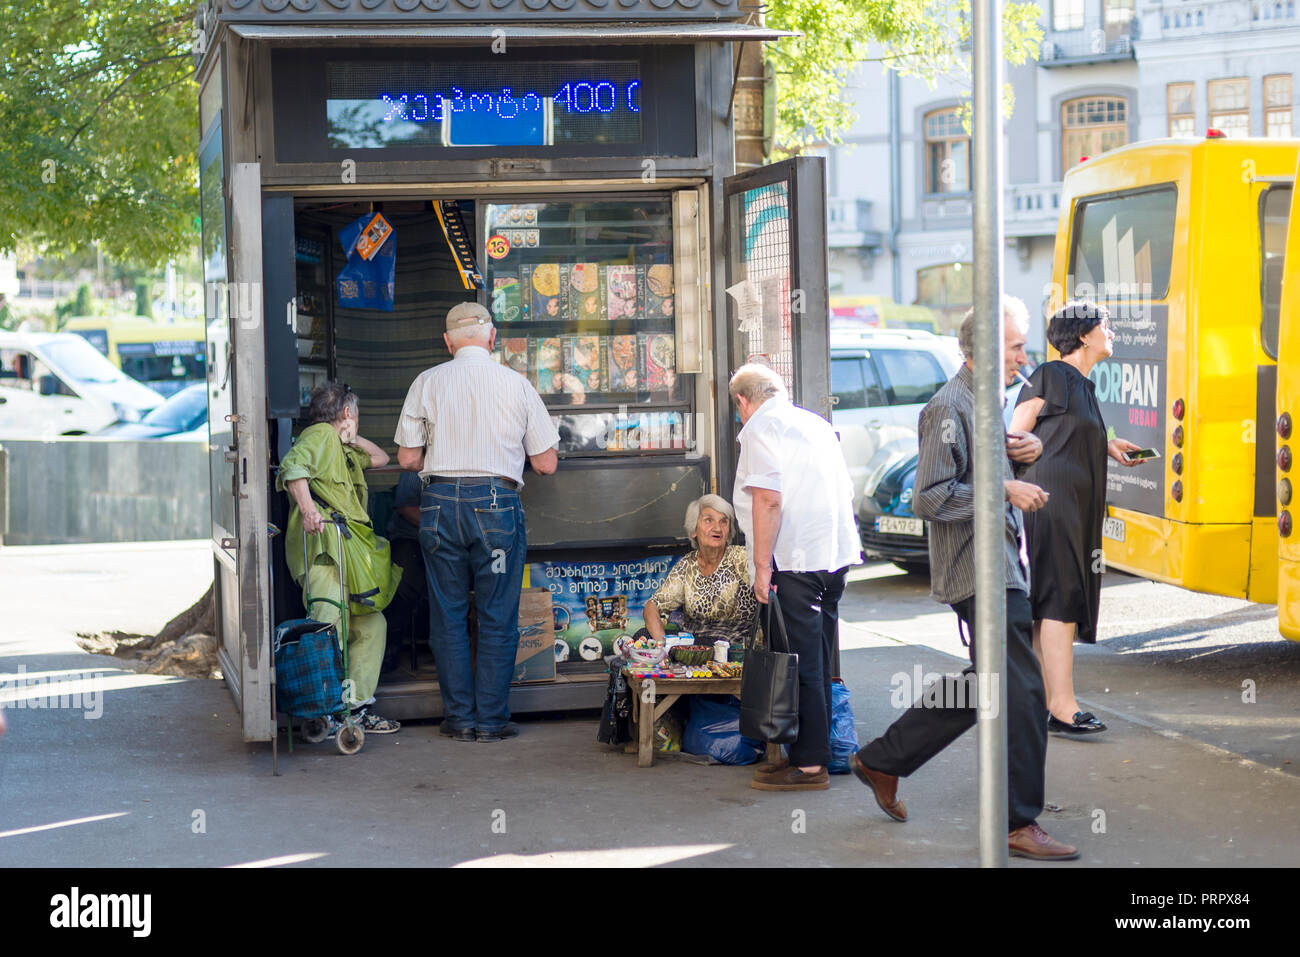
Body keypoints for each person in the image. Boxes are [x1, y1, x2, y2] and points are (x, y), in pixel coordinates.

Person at [851, 297, 1082, 861]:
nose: (1023, 355)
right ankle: (1017, 823)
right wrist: (1004, 487)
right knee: (1026, 696)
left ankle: (882, 759)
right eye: (1013, 345)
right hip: (977, 571)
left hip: (997, 565)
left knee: (985, 687)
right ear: (977, 349)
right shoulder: (948, 405)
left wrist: (1020, 458)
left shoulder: (985, 403)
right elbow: (928, 497)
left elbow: (975, 476)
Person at [395, 302, 559, 743]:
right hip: (496, 509)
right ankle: (490, 722)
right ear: (492, 338)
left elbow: (408, 459)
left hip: (439, 505)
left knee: (447, 616)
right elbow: (545, 463)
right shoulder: (516, 384)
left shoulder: (426, 382)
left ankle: (459, 720)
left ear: (448, 342)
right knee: (497, 617)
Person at [1010, 300, 1144, 735]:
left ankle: (1041, 702)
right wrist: (1015, 479)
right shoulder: (1051, 373)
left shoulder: (1082, 384)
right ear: (1084, 335)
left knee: (1053, 596)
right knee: (1060, 596)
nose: (1113, 334)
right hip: (1054, 500)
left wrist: (1109, 444)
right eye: (1107, 326)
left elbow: (1070, 429)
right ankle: (1063, 707)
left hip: (1073, 502)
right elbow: (1016, 428)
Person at [729, 363, 862, 792]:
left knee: (799, 662)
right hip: (834, 557)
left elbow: (768, 500)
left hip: (797, 561)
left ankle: (809, 766)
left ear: (742, 401)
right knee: (818, 660)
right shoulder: (815, 423)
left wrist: (763, 567)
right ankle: (812, 753)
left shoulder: (758, 428)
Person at [277, 382, 401, 735]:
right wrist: (309, 510)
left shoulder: (338, 444)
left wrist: (351, 438)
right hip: (326, 551)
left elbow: (381, 458)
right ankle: (326, 711)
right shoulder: (319, 435)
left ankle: (355, 707)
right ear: (348, 412)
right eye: (354, 415)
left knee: (370, 625)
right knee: (330, 625)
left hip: (350, 549)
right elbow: (293, 467)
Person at [642, 495, 758, 648]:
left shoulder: (741, 558)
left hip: (732, 642)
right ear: (693, 530)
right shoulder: (688, 564)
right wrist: (663, 644)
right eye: (709, 520)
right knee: (642, 636)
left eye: (724, 521)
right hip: (694, 643)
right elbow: (653, 606)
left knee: (707, 644)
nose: (717, 528)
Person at [380, 469, 429, 674]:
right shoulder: (416, 464)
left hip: (449, 542)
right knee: (404, 586)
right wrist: (437, 528)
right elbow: (405, 507)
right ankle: (390, 650)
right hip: (410, 537)